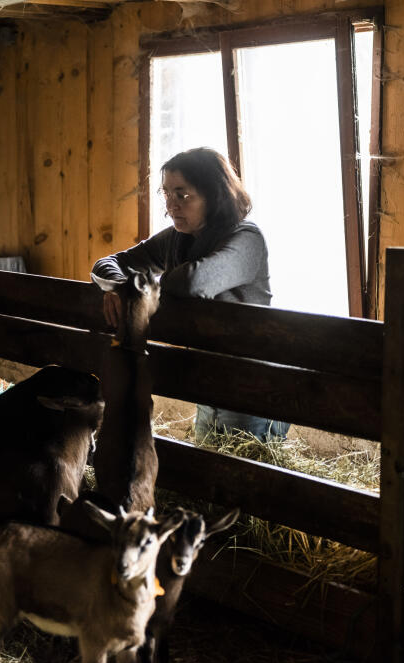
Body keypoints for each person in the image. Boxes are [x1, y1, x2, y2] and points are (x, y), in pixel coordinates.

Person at [91, 147, 289, 442]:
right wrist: (120, 286)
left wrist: (139, 286)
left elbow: (196, 282)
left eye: (182, 195)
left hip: (253, 387)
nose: (171, 206)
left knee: (242, 480)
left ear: (214, 195)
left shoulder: (247, 239)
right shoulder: (177, 238)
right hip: (209, 383)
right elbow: (107, 263)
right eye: (166, 194)